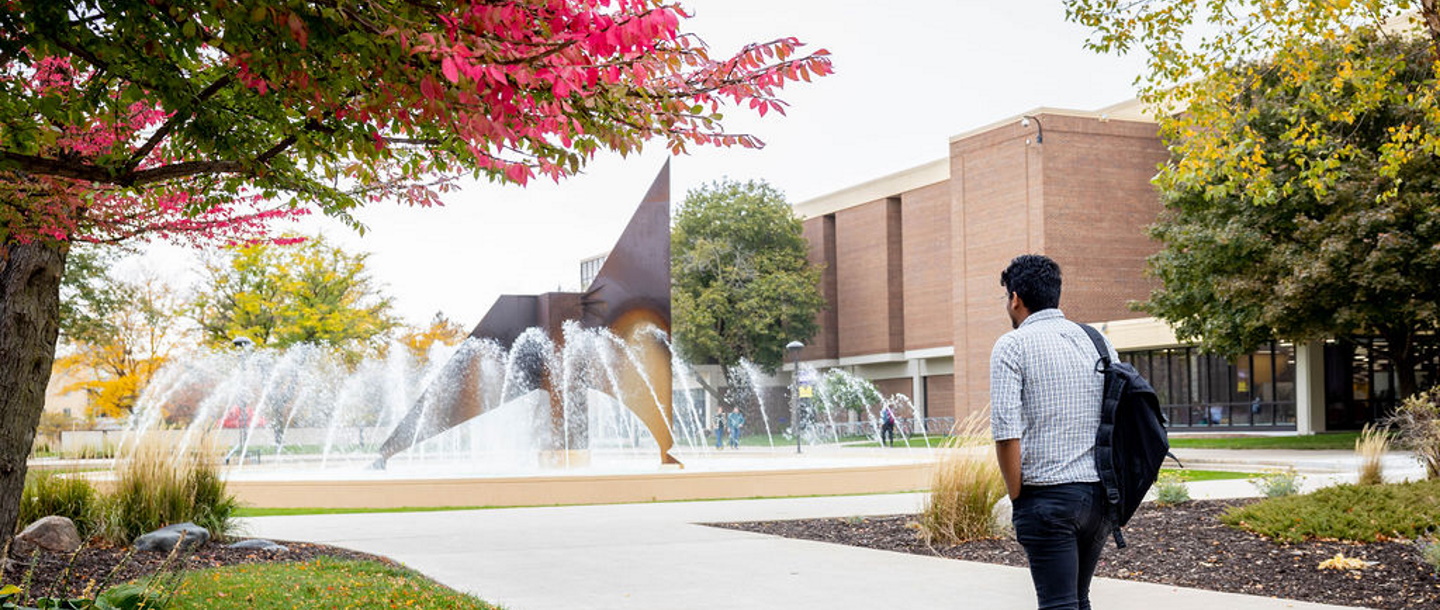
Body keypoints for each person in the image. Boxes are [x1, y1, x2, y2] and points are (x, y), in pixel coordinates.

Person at [990, 254, 1117, 610]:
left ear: (1015, 297)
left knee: (1059, 604)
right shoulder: (1098, 341)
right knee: (1077, 599)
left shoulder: (1012, 345)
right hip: (1100, 500)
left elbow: (1005, 430)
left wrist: (1018, 497)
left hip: (1047, 498)